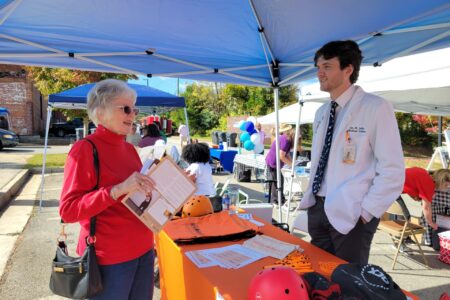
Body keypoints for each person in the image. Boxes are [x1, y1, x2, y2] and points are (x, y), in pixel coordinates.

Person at [299, 40, 404, 264]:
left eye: (327, 66)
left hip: (353, 213)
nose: (319, 73)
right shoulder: (321, 112)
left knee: (350, 284)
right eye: (318, 67)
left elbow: (392, 169)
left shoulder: (375, 107)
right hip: (318, 208)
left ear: (348, 69)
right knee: (320, 277)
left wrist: (367, 213)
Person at [59, 79, 156, 299]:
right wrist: (116, 190)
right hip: (109, 259)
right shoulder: (84, 149)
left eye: (134, 109)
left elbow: (135, 196)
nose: (132, 115)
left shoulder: (130, 149)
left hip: (144, 249)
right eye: (125, 108)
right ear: (100, 112)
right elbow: (68, 210)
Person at [403, 167, 450, 245]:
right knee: (404, 215)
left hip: (388, 179)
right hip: (390, 186)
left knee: (402, 213)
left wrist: (416, 195)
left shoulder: (425, 174)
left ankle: (401, 238)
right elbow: (426, 207)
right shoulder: (429, 185)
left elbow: (409, 182)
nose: (446, 188)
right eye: (446, 186)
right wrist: (431, 223)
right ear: (441, 181)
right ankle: (401, 240)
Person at [265, 123, 299, 205]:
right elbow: (282, 156)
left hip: (274, 162)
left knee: (278, 181)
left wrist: (293, 163)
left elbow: (286, 154)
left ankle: (278, 199)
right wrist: (291, 165)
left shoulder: (285, 138)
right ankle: (277, 201)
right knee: (278, 181)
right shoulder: (285, 140)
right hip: (273, 162)